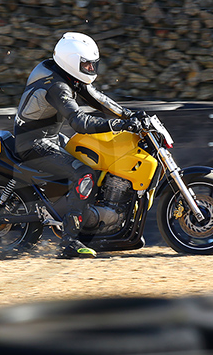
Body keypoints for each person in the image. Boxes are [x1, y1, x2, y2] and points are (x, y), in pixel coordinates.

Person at [13, 32, 143, 259]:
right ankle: (69, 241)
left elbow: (97, 98)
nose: (91, 70)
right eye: (87, 65)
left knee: (92, 157)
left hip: (49, 137)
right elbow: (80, 123)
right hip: (33, 143)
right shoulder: (57, 86)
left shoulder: (64, 73)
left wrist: (130, 116)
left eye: (93, 65)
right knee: (83, 173)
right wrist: (118, 125)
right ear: (71, 61)